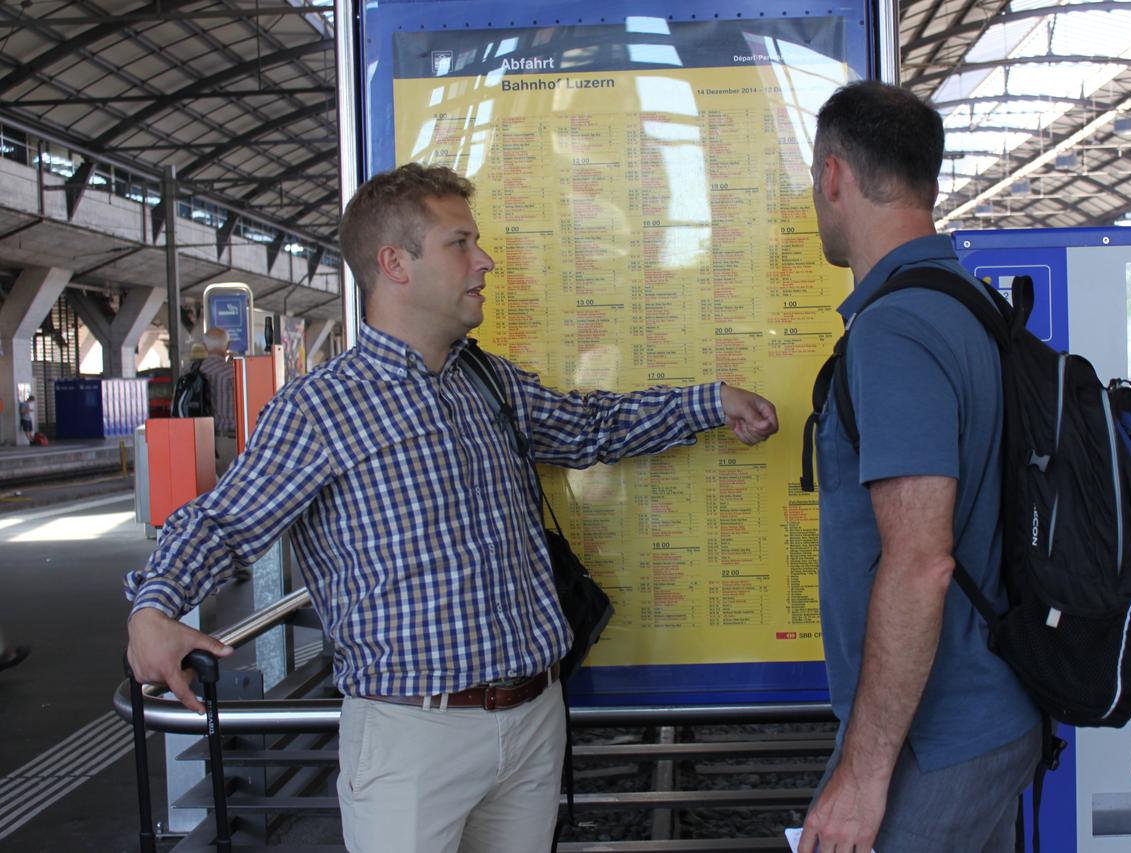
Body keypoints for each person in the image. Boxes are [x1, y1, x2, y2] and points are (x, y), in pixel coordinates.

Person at [124, 163, 779, 853]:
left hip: (532, 719)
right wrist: (152, 609)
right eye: (460, 243)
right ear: (395, 264)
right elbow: (223, 521)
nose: (485, 261)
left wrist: (709, 401)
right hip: (413, 738)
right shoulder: (322, 408)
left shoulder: (486, 379)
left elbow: (593, 425)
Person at [799, 81, 1040, 853]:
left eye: (813, 180)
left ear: (834, 175)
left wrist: (864, 773)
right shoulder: (968, 302)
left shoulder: (894, 329)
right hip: (994, 711)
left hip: (929, 742)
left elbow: (919, 561)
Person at [199, 328, 238, 476]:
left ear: (204, 346)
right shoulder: (233, 373)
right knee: (232, 489)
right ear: (227, 347)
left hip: (197, 441)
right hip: (228, 441)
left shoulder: (191, 371)